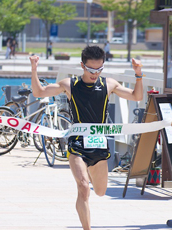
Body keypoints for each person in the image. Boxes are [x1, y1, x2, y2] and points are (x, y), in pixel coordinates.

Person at [29, 45, 143, 230]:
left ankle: (89, 176)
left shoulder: (109, 84)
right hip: (77, 144)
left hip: (99, 145)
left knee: (99, 191)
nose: (95, 74)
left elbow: (136, 95)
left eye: (99, 69)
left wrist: (138, 74)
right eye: (91, 69)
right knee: (83, 186)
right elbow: (39, 92)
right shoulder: (70, 85)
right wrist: (34, 69)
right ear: (82, 65)